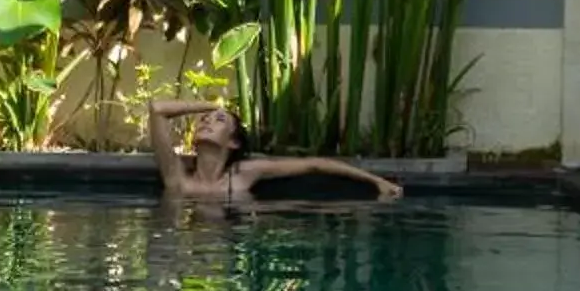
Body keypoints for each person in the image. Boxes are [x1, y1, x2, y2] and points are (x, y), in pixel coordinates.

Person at [147, 99, 404, 204]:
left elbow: (314, 165)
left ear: (234, 143)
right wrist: (213, 105)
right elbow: (157, 108)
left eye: (219, 120)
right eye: (204, 119)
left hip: (230, 244)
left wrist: (377, 181)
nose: (205, 121)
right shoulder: (177, 178)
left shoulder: (242, 175)